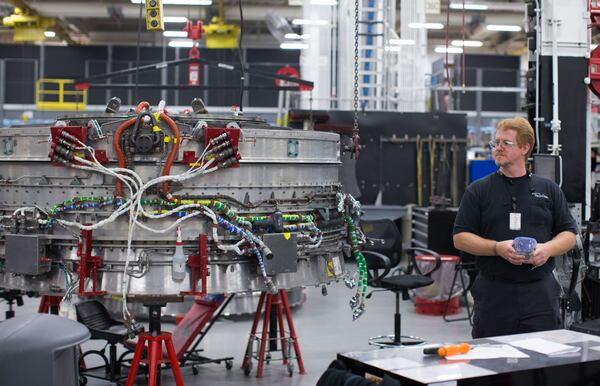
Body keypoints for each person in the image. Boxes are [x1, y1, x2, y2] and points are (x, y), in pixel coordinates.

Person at [453, 117, 577, 338]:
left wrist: (547, 249)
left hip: (539, 292)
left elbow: (569, 234)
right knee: (490, 362)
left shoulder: (548, 189)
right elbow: (460, 238)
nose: (498, 148)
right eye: (496, 142)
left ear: (525, 148)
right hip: (494, 292)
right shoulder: (478, 191)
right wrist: (496, 248)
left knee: (543, 361)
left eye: (506, 143)